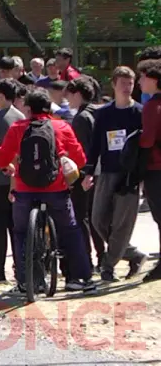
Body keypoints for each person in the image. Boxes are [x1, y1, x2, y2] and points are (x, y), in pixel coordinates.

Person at [0, 89, 96, 294]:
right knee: (70, 230)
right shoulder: (62, 126)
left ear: (28, 109)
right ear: (49, 108)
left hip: (24, 190)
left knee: (21, 232)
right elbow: (82, 159)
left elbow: (0, 159)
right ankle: (79, 278)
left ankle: (26, 281)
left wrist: (8, 167)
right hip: (56, 188)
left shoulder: (18, 127)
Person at [83, 66, 148, 282]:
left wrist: (142, 177)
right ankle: (133, 254)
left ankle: (108, 266)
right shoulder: (103, 114)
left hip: (130, 175)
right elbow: (95, 145)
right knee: (98, 219)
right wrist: (89, 171)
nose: (127, 87)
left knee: (121, 223)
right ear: (114, 84)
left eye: (130, 83)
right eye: (123, 83)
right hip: (107, 171)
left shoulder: (140, 112)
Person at [0, 79, 26, 283]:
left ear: (1, 96)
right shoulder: (21, 117)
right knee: (16, 227)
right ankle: (20, 267)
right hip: (20, 180)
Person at [67, 76, 105, 272]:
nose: (68, 101)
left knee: (82, 218)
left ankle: (87, 260)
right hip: (101, 172)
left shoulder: (81, 118)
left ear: (78, 94)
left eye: (70, 95)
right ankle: (102, 257)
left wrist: (82, 175)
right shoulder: (99, 112)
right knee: (95, 216)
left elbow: (82, 151)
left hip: (85, 174)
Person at [137, 59, 161, 282]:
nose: (140, 81)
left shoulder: (153, 107)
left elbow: (147, 141)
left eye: (143, 77)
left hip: (156, 167)